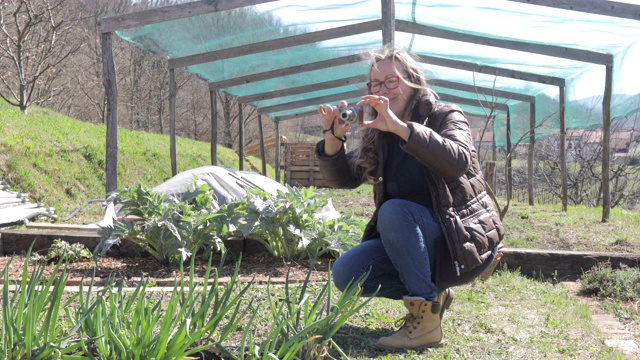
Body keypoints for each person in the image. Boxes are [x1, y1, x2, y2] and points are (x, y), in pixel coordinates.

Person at [315, 48, 504, 351]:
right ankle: (434, 295)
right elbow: (345, 179)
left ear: (413, 82)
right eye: (375, 84)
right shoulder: (379, 133)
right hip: (415, 244)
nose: (382, 91)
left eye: (391, 81)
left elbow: (458, 161)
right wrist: (333, 138)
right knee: (346, 274)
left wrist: (403, 129)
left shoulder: (446, 115)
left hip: (460, 243)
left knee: (395, 211)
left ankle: (425, 320)